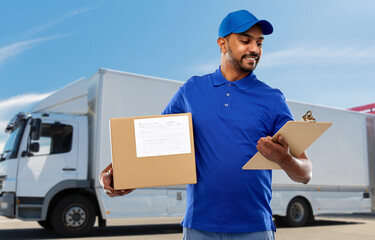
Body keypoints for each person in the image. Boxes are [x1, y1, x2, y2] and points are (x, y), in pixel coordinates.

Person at [100, 9, 312, 240]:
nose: (255, 49)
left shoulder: (272, 99)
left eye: (259, 43)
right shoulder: (191, 90)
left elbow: (305, 173)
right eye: (245, 40)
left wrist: (284, 159)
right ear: (223, 44)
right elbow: (153, 144)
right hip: (199, 227)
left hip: (254, 228)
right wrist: (114, 174)